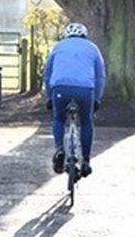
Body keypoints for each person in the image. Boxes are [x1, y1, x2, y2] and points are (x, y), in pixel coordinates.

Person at [44, 22, 105, 178]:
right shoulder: (93, 48)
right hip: (85, 89)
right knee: (86, 122)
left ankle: (59, 149)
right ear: (84, 35)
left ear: (67, 35)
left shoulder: (57, 47)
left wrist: (49, 97)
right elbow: (100, 77)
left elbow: (48, 74)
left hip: (60, 88)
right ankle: (85, 161)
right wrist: (97, 99)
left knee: (58, 119)